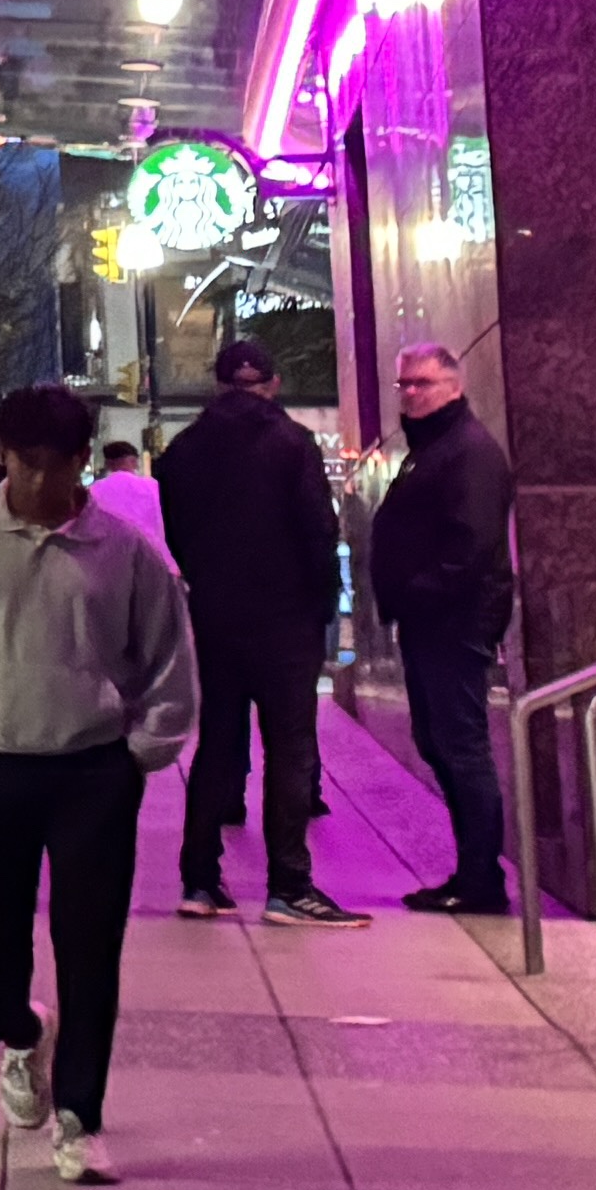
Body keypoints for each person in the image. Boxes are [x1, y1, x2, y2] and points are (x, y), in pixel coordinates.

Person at [0, 380, 200, 1184]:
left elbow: (170, 666)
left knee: (90, 944)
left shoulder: (128, 552)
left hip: (90, 771)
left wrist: (139, 757)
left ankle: (80, 1117)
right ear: (2, 453)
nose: (38, 482)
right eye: (23, 462)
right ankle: (18, 1026)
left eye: (55, 465)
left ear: (83, 460)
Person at [155, 339, 358, 927]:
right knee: (289, 747)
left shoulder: (185, 450)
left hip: (217, 616)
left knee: (217, 744)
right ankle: (289, 884)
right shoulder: (292, 444)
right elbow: (319, 532)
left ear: (218, 385)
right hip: (285, 618)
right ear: (271, 383)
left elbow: (180, 536)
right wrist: (323, 605)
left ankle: (199, 879)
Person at [375, 338, 522, 913]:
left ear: (455, 386)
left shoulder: (468, 451)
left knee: (460, 744)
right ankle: (472, 871)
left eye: (423, 383)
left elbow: (472, 544)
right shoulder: (436, 447)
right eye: (404, 384)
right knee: (438, 741)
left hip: (453, 621)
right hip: (432, 619)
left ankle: (482, 878)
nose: (410, 394)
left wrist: (420, 591)